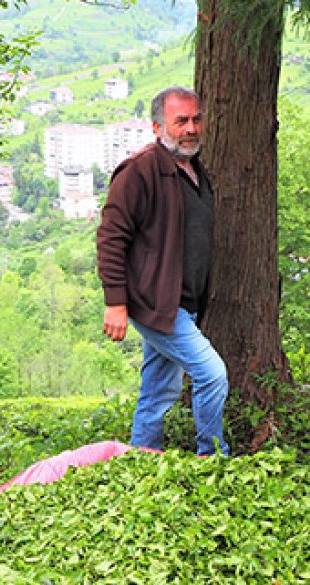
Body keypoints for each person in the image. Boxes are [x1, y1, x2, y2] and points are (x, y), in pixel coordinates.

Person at [96, 86, 229, 456]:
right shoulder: (140, 172)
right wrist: (115, 302)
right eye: (180, 121)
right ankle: (213, 459)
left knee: (158, 391)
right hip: (155, 303)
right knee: (211, 374)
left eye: (195, 119)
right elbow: (111, 237)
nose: (191, 128)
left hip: (184, 303)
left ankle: (142, 460)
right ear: (158, 127)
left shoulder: (195, 171)